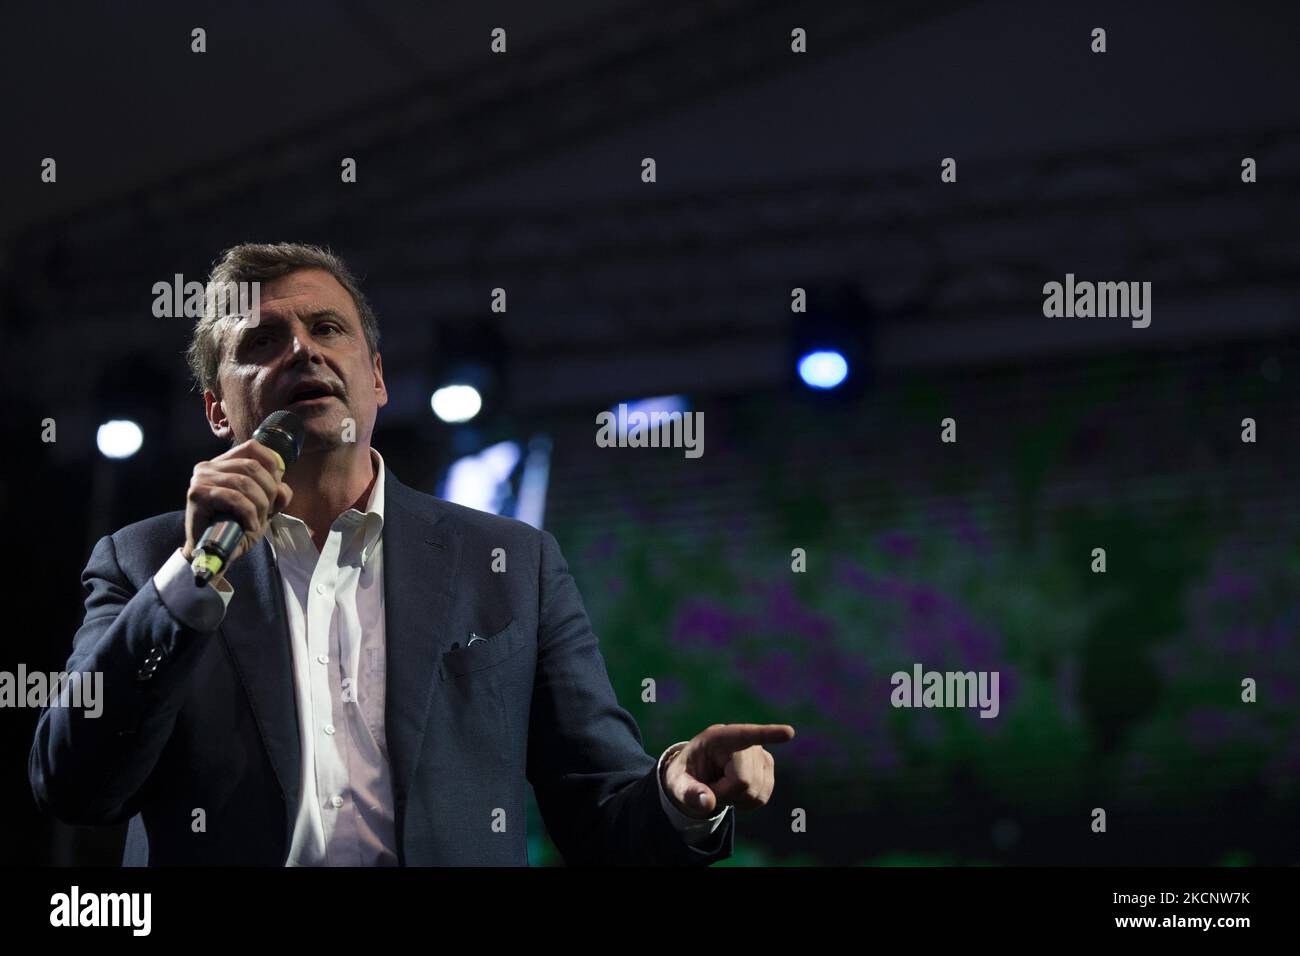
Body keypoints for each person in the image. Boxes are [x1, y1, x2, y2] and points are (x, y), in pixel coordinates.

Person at [29, 242, 794, 865]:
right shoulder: (146, 561)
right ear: (217, 411)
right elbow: (74, 785)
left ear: (378, 379)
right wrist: (191, 584)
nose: (302, 351)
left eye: (328, 330)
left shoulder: (510, 564)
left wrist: (673, 787)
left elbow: (599, 809)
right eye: (262, 342)